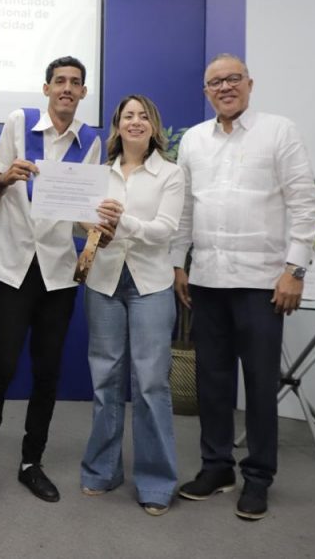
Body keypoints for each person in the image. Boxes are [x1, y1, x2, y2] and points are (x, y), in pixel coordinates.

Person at [171, 54, 315, 521]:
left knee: (259, 385)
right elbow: (185, 209)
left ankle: (258, 477)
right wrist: (178, 263)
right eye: (215, 82)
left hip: (262, 284)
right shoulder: (194, 140)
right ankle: (217, 467)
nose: (225, 87)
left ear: (250, 84)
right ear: (206, 92)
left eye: (233, 78)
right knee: (212, 383)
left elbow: (305, 204)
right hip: (207, 281)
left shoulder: (279, 132)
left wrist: (295, 270)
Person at [0, 56, 105, 511]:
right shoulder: (19, 122)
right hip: (13, 267)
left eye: (75, 83)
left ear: (83, 92)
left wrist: (96, 227)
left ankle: (31, 462)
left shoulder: (91, 142)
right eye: (59, 81)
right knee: (0, 369)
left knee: (47, 373)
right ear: (46, 89)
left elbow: (81, 217)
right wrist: (7, 177)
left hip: (58, 273)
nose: (67, 88)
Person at [80, 95, 184, 516]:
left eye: (143, 116)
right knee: (105, 379)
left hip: (151, 285)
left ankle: (156, 482)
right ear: (117, 125)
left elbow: (165, 230)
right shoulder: (98, 171)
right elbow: (79, 221)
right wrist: (93, 226)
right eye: (128, 116)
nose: (135, 121)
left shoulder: (170, 173)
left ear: (153, 126)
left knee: (150, 384)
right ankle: (102, 470)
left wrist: (122, 222)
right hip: (103, 281)